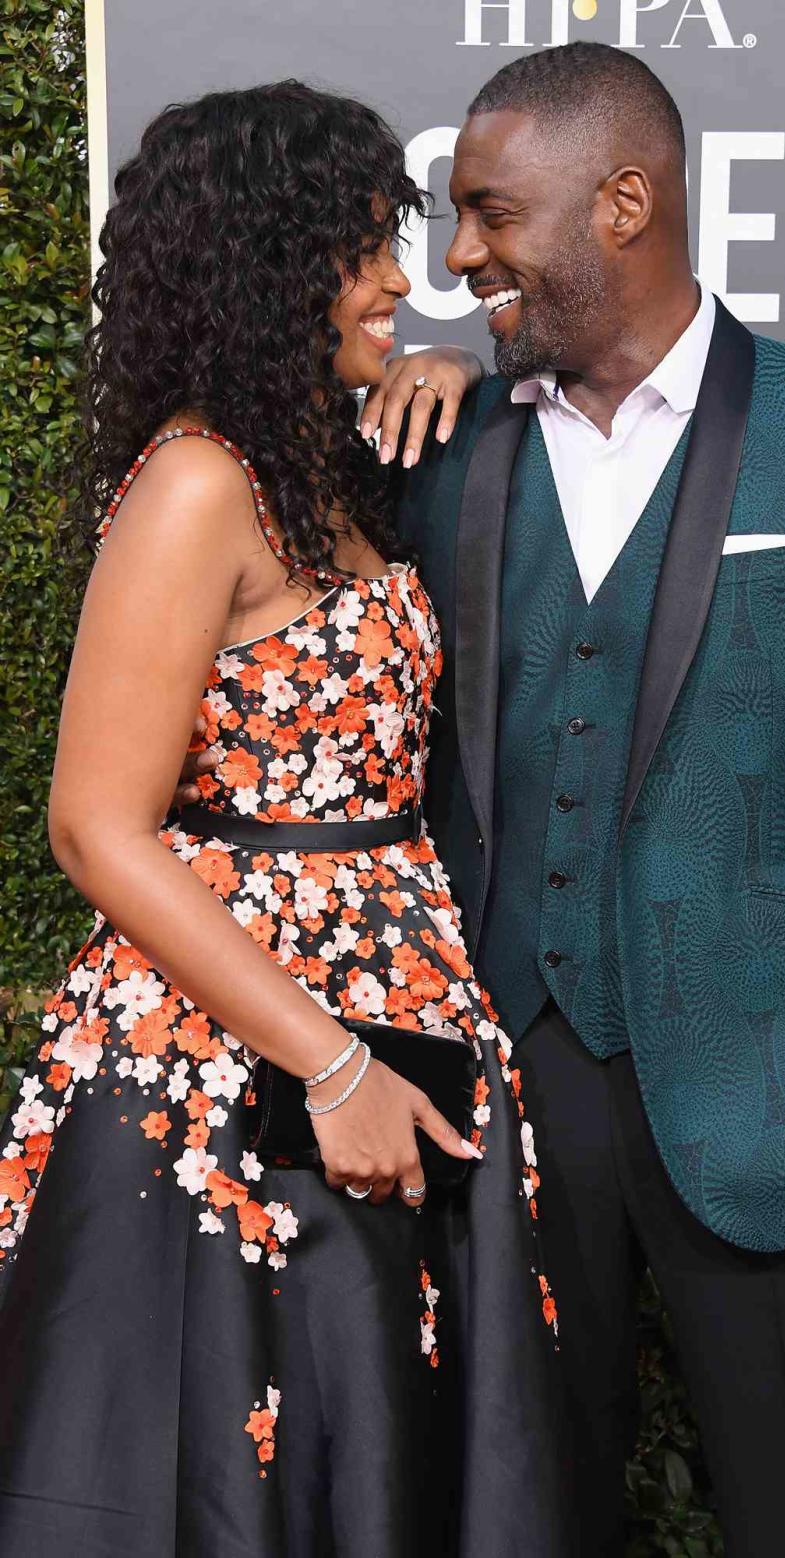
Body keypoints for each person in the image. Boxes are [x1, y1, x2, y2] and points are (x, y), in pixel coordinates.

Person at [349, 41, 785, 1558]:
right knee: (517, 1515)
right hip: (508, 1092)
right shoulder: (448, 444)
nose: (459, 256)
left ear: (624, 200)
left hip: (771, 1094)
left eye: (489, 212)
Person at [0, 82, 571, 1558]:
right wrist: (327, 1065)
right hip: (243, 1068)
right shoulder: (197, 484)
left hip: (390, 1025)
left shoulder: (312, 464)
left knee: (367, 1459)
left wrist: (426, 369)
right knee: (253, 1477)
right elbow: (94, 825)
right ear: (260, 262)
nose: (403, 275)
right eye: (359, 246)